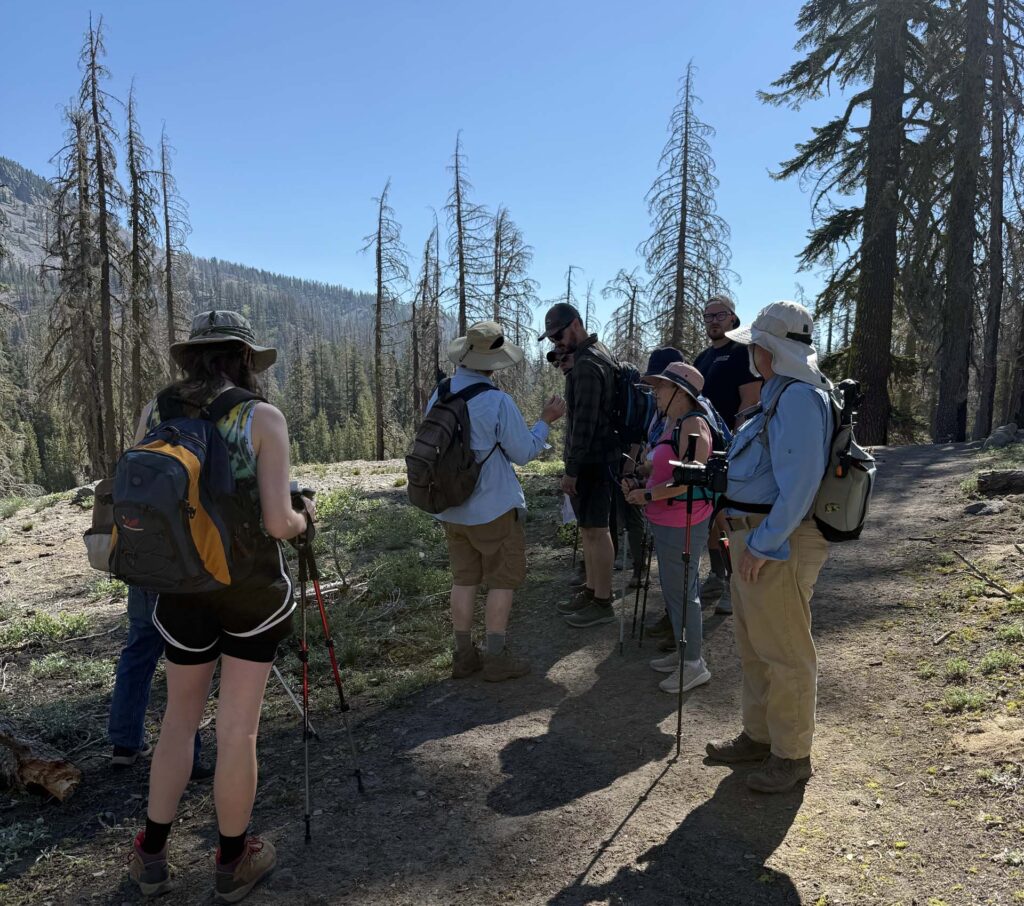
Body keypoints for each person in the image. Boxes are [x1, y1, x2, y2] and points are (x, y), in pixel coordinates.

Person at [128, 311, 314, 902]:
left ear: (192, 359)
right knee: (238, 731)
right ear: (243, 359)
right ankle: (232, 863)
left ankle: (151, 854)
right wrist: (306, 516)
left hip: (180, 586)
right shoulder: (262, 417)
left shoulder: (156, 414)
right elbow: (278, 523)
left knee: (178, 723)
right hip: (251, 591)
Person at [705, 300, 833, 794]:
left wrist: (762, 544)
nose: (751, 353)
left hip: (775, 541)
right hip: (754, 536)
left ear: (773, 351)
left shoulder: (800, 398)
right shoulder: (780, 394)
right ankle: (760, 737)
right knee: (757, 645)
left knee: (784, 650)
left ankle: (791, 754)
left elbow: (799, 486)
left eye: (756, 345)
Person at [430, 320, 565, 682]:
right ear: (492, 363)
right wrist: (545, 422)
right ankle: (496, 658)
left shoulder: (440, 392)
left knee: (464, 579)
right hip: (493, 507)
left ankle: (463, 656)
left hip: (451, 506)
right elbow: (523, 453)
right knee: (501, 580)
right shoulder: (496, 401)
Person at [622, 362, 713, 694]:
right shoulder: (671, 422)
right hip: (666, 518)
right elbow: (662, 465)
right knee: (675, 592)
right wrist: (640, 474)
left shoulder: (694, 425)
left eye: (660, 387)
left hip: (683, 520)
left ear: (680, 391)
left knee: (683, 593)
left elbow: (690, 481)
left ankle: (693, 665)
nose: (655, 392)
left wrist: (647, 494)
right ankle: (683, 651)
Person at [540, 303, 620, 628]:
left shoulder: (587, 364)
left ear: (575, 325)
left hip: (594, 461)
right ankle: (591, 590)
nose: (556, 344)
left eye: (558, 335)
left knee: (597, 531)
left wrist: (571, 469)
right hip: (598, 458)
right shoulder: (598, 354)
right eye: (551, 340)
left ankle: (602, 601)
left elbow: (584, 423)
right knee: (589, 529)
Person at [694, 294, 762, 616]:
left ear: (733, 318)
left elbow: (749, 403)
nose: (713, 321)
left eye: (719, 315)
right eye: (708, 316)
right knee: (707, 520)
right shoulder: (702, 359)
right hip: (702, 451)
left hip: (729, 450)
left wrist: (735, 446)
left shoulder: (742, 354)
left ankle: (734, 582)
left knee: (725, 520)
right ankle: (716, 575)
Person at [108, 587, 211, 781]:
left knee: (137, 655)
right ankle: (185, 759)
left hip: (142, 578)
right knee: (187, 661)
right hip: (180, 582)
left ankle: (124, 743)